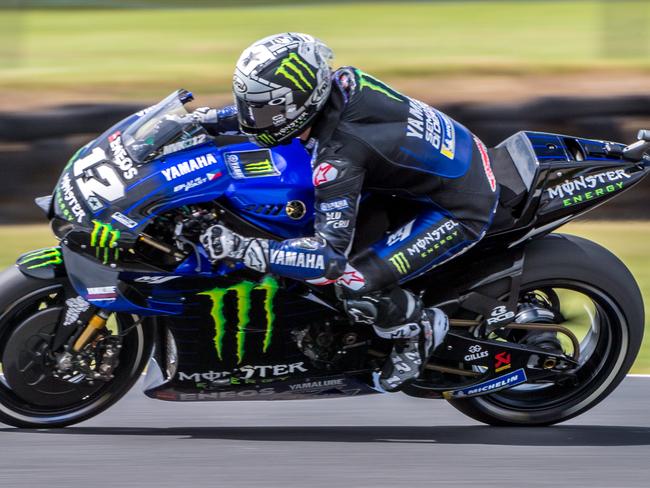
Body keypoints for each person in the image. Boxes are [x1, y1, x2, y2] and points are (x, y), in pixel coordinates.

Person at [195, 33, 500, 392]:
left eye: (263, 109)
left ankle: (417, 333)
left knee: (353, 281)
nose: (252, 117)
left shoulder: (339, 157)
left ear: (301, 104)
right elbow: (270, 115)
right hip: (433, 172)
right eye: (248, 104)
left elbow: (328, 261)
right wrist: (214, 118)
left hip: (457, 208)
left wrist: (246, 248)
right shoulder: (340, 81)